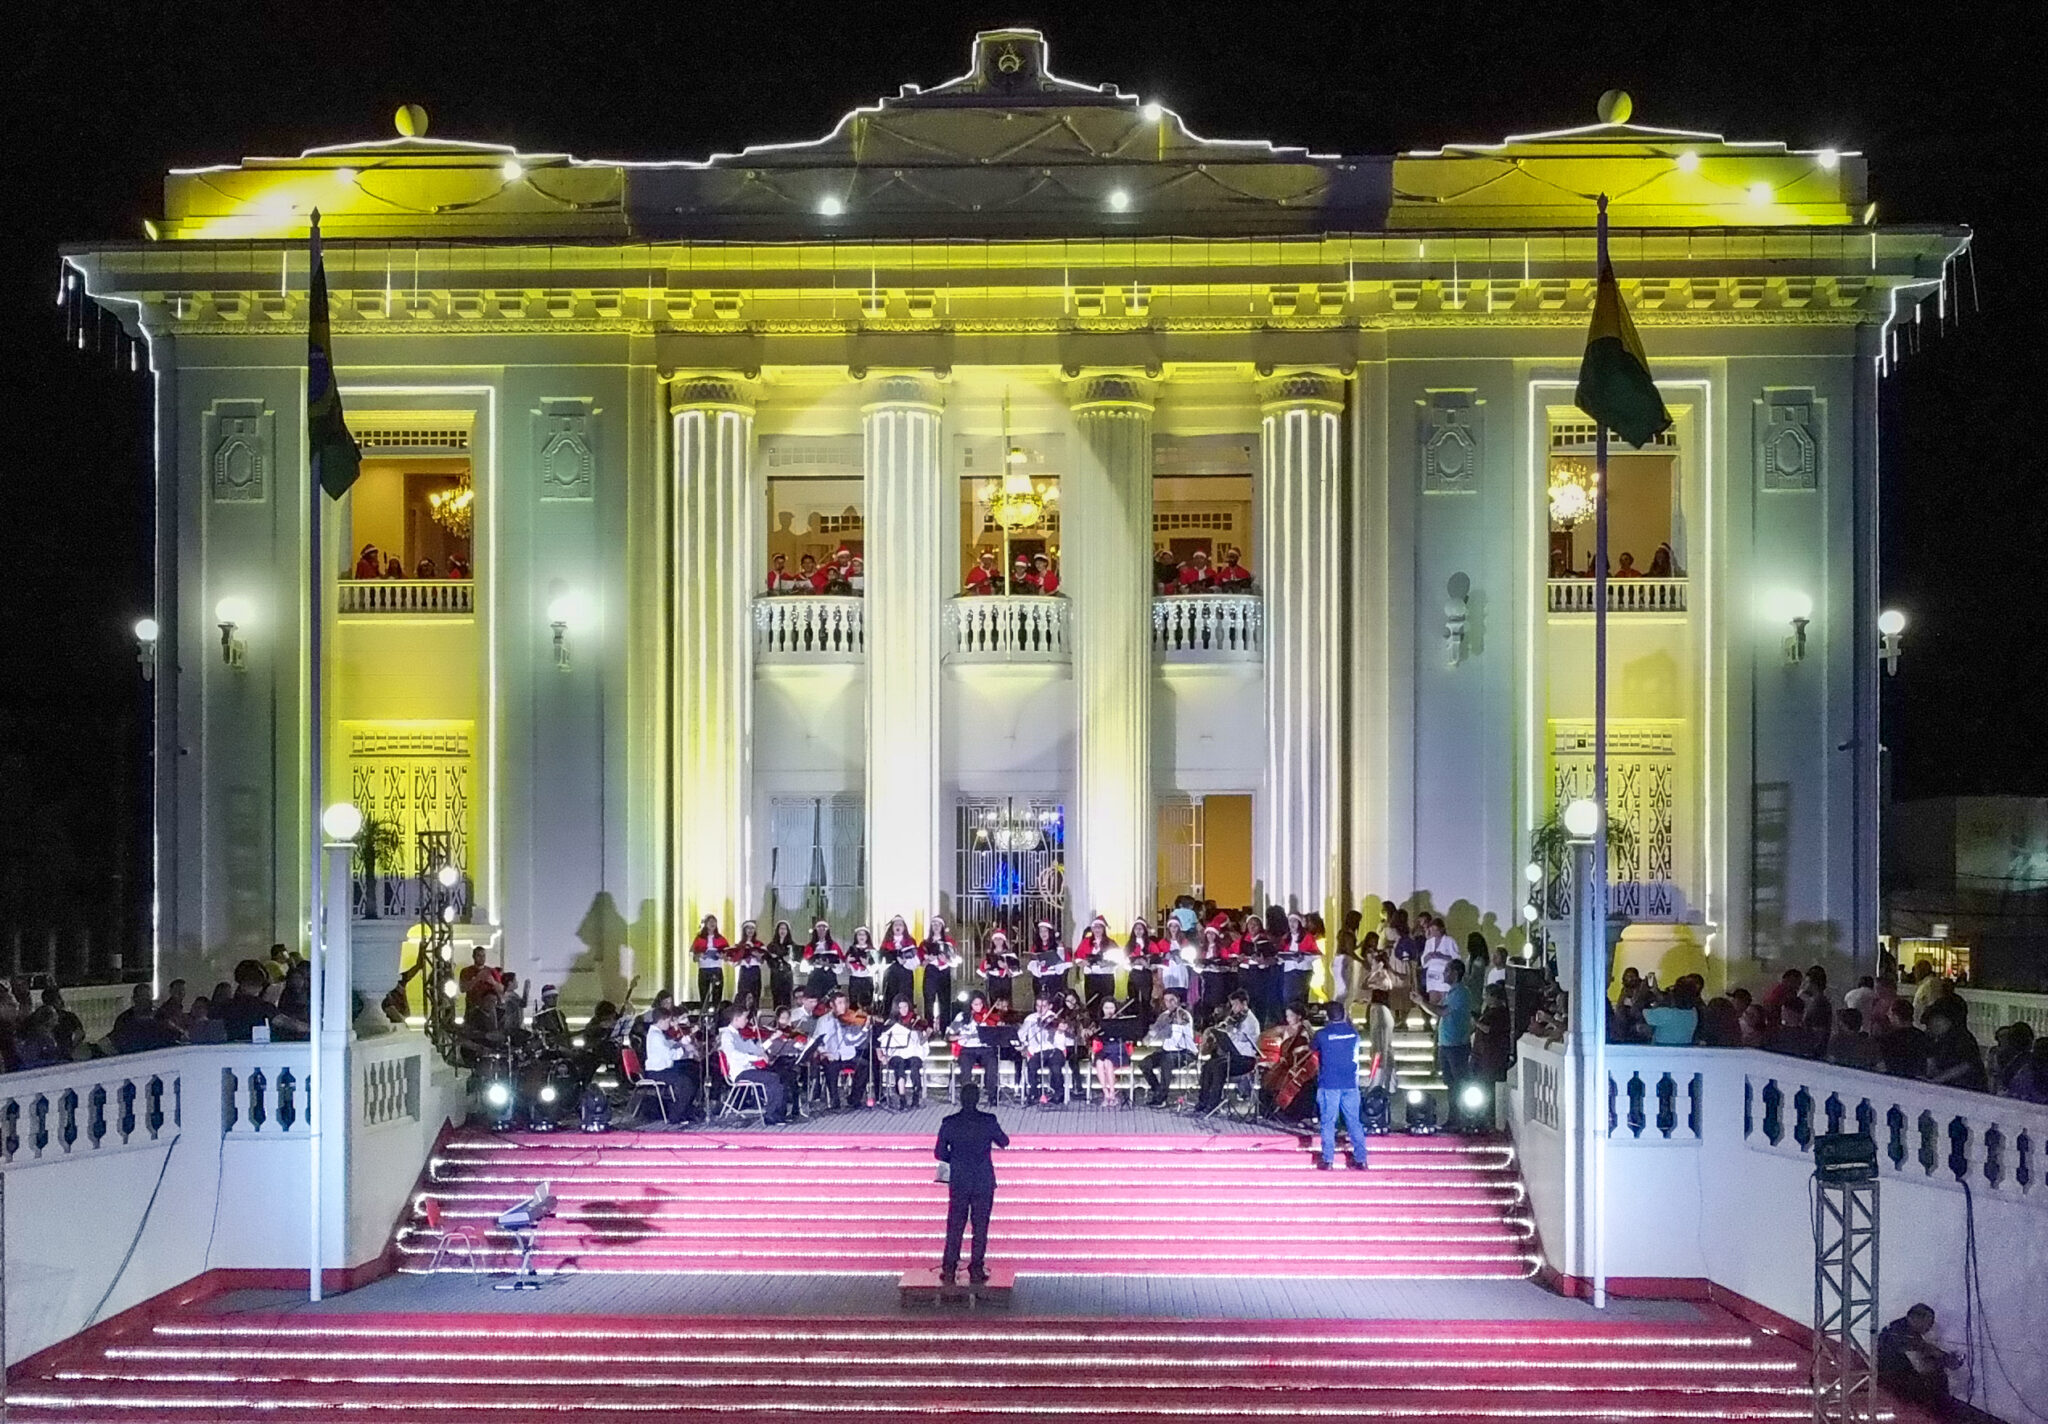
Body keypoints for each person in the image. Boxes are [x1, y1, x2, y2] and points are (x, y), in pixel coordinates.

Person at [933, 1080, 1010, 1286]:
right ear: (978, 1099)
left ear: (961, 1099)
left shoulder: (949, 1122)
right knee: (980, 1226)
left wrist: (956, 1158)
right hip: (983, 1180)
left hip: (959, 1180)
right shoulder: (988, 1120)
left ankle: (949, 1267)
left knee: (955, 1225)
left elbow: (939, 1153)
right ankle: (976, 1268)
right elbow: (1004, 1142)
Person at [1876, 1304, 1962, 1416]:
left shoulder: (1899, 1328)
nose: (1930, 1327)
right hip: (1897, 1383)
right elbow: (1922, 1356)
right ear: (1914, 1318)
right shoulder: (1900, 1332)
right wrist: (1945, 1360)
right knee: (1937, 1380)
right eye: (1929, 1322)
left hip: (1895, 1379)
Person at [1312, 1004, 1368, 1170]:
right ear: (1344, 1015)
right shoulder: (1353, 1033)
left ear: (1327, 1016)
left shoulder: (1322, 1034)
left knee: (1328, 1122)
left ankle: (1328, 1160)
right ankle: (1362, 1159)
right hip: (1350, 1083)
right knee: (1354, 1122)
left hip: (1329, 1083)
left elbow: (1312, 1048)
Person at [717, 1003, 790, 1123]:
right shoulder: (727, 1036)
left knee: (780, 1075)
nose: (747, 1021)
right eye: (745, 1018)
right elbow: (733, 1055)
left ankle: (779, 1113)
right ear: (736, 1019)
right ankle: (770, 1115)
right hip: (741, 1072)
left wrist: (771, 1039)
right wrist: (755, 1058)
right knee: (772, 1078)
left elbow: (757, 1049)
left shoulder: (740, 1034)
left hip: (750, 1069)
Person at [1194, 991, 1260, 1114]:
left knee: (1219, 1068)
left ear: (1244, 1003)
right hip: (1234, 1056)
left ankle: (1213, 1104)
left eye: (1235, 1005)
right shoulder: (1236, 1019)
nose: (1233, 1009)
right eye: (1232, 1005)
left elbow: (1242, 1038)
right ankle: (1203, 1101)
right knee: (1208, 1065)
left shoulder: (1251, 1021)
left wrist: (1230, 1030)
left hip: (1245, 1059)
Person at [640, 1001, 702, 1124]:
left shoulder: (658, 1034)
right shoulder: (656, 1036)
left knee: (691, 1074)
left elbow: (669, 1044)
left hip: (663, 1068)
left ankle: (687, 1110)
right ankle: (676, 1115)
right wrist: (684, 1048)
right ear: (662, 1021)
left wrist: (681, 1043)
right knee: (685, 1083)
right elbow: (670, 1055)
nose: (670, 1025)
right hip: (657, 1072)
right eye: (668, 1022)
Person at [1138, 989, 1197, 1106]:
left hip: (1184, 1052)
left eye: (1172, 1000)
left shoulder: (1184, 1015)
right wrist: (1148, 1038)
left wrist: (1174, 1026)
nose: (1169, 1004)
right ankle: (1158, 1091)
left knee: (1167, 1061)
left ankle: (1161, 1099)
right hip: (1168, 1051)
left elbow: (1176, 1036)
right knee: (1145, 1063)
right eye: (1166, 1001)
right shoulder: (1164, 1016)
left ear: (1177, 1000)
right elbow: (1155, 1029)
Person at [1922, 1000, 1987, 1091]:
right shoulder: (1938, 1040)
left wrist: (1936, 1081)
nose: (1930, 1028)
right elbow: (1932, 1065)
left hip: (1968, 1088)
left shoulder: (1962, 1037)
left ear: (1942, 1020)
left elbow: (1965, 1065)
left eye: (1931, 1023)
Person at [1020, 999, 1071, 1107]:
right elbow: (1021, 1034)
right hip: (1037, 1051)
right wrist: (1024, 1045)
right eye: (1038, 1006)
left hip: (1055, 1049)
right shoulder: (1030, 1019)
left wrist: (1060, 1032)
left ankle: (1058, 1093)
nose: (1041, 1009)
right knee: (1031, 1066)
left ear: (1050, 1006)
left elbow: (1060, 1043)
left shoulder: (1055, 1019)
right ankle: (1034, 1093)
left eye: (1044, 1006)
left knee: (1055, 1067)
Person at [1089, 997, 1140, 1106]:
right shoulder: (1098, 1022)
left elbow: (1130, 1037)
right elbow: (1093, 1037)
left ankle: (1112, 1092)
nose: (1109, 1010)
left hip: (1119, 1050)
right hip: (1104, 1050)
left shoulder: (1122, 1021)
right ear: (1102, 1009)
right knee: (1099, 1062)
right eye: (1106, 1008)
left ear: (1116, 1008)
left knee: (1108, 1062)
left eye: (1111, 1007)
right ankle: (1105, 1092)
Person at [878, 999, 928, 1109]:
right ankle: (902, 1099)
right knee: (899, 1065)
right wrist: (884, 1055)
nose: (903, 1010)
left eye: (906, 1007)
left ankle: (916, 1097)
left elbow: (922, 1041)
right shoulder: (891, 1023)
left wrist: (926, 1034)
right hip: (897, 1053)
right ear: (896, 1009)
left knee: (915, 1064)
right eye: (900, 1007)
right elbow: (883, 1040)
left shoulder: (916, 1022)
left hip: (913, 1052)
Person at [1436, 961, 1475, 1089]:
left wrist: (1422, 1001)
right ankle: (1453, 1109)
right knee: (1450, 1083)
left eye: (1447, 970)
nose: (1443, 973)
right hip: (1446, 1044)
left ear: (1455, 973)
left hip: (1457, 1045)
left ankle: (1462, 1109)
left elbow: (1442, 1011)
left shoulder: (1461, 993)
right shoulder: (1450, 993)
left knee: (1460, 1082)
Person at [110, 983, 180, 1054]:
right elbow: (117, 1043)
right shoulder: (124, 1019)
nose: (146, 1001)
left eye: (148, 997)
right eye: (142, 997)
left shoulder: (160, 1016)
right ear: (134, 999)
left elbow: (172, 1035)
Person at [1876, 998, 1931, 1078]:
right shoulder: (1923, 1036)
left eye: (1890, 1014)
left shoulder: (1888, 1039)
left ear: (1896, 1016)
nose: (1888, 1016)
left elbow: (1881, 1064)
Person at [692, 915, 728, 1007]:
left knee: (717, 994)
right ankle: (704, 1016)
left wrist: (722, 955)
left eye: (714, 921)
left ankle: (716, 1016)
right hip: (704, 969)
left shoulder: (721, 938)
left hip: (716, 969)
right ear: (705, 924)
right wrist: (700, 955)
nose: (712, 923)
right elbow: (693, 957)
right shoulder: (699, 938)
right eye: (710, 921)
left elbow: (728, 956)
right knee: (704, 995)